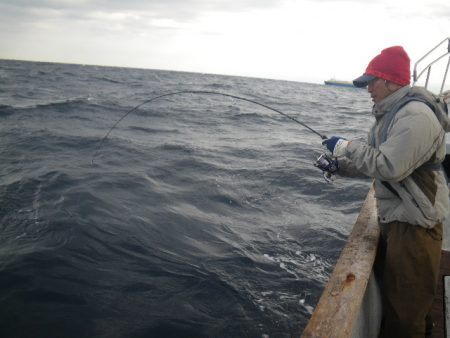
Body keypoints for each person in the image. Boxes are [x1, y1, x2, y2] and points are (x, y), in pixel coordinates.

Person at [317, 46, 449, 338]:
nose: (367, 90)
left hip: (415, 227)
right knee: (403, 305)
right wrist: (338, 165)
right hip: (398, 220)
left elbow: (389, 166)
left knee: (406, 317)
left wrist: (345, 145)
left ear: (390, 82)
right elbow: (372, 162)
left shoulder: (415, 116)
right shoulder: (389, 116)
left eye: (371, 82)